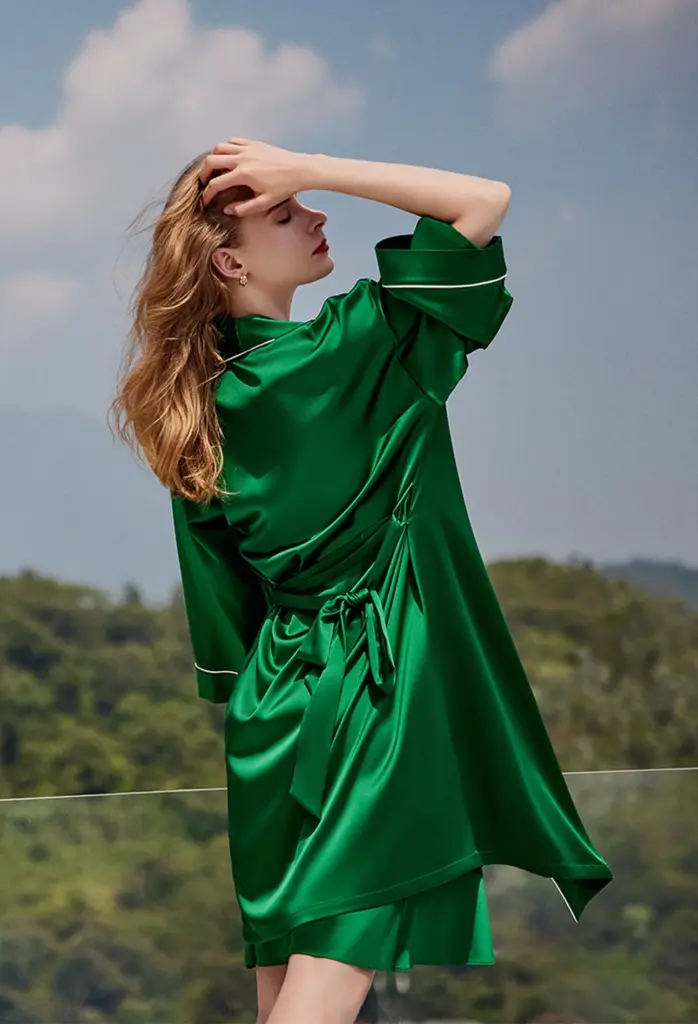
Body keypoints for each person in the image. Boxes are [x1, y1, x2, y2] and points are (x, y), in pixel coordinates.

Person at [110, 139, 613, 1024]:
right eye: (284, 211)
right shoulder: (367, 343)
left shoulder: (196, 405)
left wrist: (291, 179)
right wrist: (310, 163)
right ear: (229, 260)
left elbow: (223, 611)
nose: (313, 213)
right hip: (381, 695)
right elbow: (482, 202)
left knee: (283, 993)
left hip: (274, 705)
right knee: (324, 995)